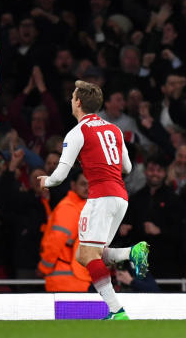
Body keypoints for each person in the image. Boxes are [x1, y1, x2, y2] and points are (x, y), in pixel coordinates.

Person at [37, 80, 149, 320]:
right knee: (87, 254)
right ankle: (132, 253)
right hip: (120, 197)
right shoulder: (115, 130)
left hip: (101, 197)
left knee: (88, 256)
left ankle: (116, 311)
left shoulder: (78, 132)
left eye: (72, 97)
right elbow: (127, 167)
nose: (70, 101)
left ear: (78, 102)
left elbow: (59, 177)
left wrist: (44, 181)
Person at [37, 170, 91, 292]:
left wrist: (43, 268)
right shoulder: (70, 208)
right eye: (83, 184)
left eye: (90, 184)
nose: (88, 188)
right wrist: (44, 268)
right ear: (73, 185)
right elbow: (56, 240)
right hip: (67, 280)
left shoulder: (79, 207)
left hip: (69, 279)